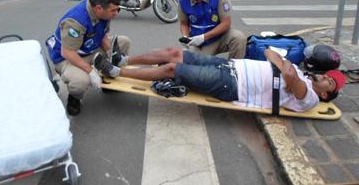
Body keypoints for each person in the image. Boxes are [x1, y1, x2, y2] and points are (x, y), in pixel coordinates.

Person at [93, 48, 347, 113]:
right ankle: (124, 60)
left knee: (172, 68)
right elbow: (270, 52)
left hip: (232, 85)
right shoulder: (303, 78)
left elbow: (288, 73)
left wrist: (283, 65)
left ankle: (116, 72)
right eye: (327, 75)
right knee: (173, 53)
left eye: (329, 82)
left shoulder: (310, 97)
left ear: (325, 94)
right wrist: (282, 64)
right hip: (231, 65)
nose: (324, 78)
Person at [46, 0, 131, 116]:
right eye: (113, 10)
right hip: (67, 57)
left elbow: (102, 34)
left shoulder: (102, 12)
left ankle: (108, 79)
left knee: (124, 42)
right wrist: (91, 72)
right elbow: (67, 52)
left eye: (117, 9)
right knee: (80, 82)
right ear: (98, 8)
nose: (116, 13)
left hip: (88, 48)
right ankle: (74, 97)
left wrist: (111, 53)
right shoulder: (75, 21)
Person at [178, 0, 246, 58]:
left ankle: (235, 68)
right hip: (200, 44)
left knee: (239, 38)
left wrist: (203, 37)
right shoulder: (183, 0)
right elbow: (184, 23)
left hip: (220, 37)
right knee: (199, 67)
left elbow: (226, 24)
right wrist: (185, 37)